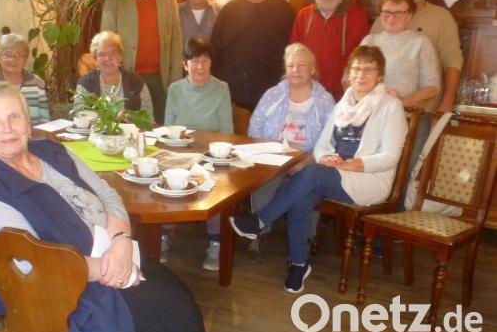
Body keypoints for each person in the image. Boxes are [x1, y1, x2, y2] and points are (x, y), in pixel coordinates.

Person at [0, 82, 206, 332]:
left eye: (15, 116)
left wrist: (121, 242)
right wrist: (110, 268)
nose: (8, 128)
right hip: (66, 291)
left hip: (113, 254)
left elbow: (107, 195)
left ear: (27, 121)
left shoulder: (54, 151)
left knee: (179, 299)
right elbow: (31, 265)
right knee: (176, 317)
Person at [230, 46, 408, 293]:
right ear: (349, 73)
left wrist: (351, 164)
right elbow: (323, 144)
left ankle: (259, 220)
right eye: (357, 69)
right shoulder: (344, 103)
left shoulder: (390, 106)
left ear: (380, 75)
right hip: (336, 174)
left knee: (312, 173)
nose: (361, 75)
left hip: (369, 180)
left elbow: (390, 156)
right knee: (301, 199)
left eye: (369, 69)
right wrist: (327, 157)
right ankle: (299, 264)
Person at [246, 43, 335, 258]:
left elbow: (330, 140)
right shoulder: (272, 94)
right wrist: (269, 152)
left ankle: (306, 238)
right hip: (274, 157)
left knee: (308, 184)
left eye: (302, 65)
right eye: (291, 65)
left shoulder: (325, 100)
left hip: (308, 159)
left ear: (312, 69)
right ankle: (257, 233)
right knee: (262, 182)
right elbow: (254, 127)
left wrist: (306, 161)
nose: (296, 70)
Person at [164, 36, 233, 270]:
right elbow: (169, 129)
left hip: (210, 155)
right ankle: (163, 233)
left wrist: (208, 153)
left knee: (213, 182)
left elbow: (227, 132)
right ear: (185, 64)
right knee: (165, 176)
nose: (200, 66)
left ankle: (215, 242)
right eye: (194, 61)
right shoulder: (174, 89)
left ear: (211, 63)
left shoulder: (221, 89)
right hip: (180, 153)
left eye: (205, 61)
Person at [101, 0, 183, 123]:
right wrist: (111, 75)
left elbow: (176, 39)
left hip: (160, 78)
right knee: (127, 127)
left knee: (159, 127)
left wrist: (175, 79)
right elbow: (106, 39)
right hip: (127, 75)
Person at [370, 0, 463, 112]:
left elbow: (452, 61)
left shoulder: (441, 17)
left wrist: (448, 101)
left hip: (422, 110)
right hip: (378, 109)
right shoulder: (382, 19)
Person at [211, 0, 294, 113]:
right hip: (233, 96)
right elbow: (215, 52)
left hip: (271, 95)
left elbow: (292, 52)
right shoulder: (228, 11)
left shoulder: (284, 10)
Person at [289, 0, 370, 100]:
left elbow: (364, 59)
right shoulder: (304, 15)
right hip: (308, 93)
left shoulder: (357, 16)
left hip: (343, 96)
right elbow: (292, 55)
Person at [361, 0, 441, 111]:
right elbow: (349, 78)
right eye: (386, 12)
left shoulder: (420, 43)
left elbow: (432, 88)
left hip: (402, 114)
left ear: (409, 15)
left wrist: (400, 102)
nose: (391, 18)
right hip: (368, 112)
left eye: (398, 13)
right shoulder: (369, 41)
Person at [74, 31, 154, 116]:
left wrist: (131, 117)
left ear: (121, 56)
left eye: (113, 53)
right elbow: (80, 115)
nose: (108, 58)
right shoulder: (86, 83)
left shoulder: (136, 82)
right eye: (102, 54)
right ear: (96, 59)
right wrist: (114, 118)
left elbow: (148, 118)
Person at [0, 32, 50, 125]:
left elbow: (45, 119)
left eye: (18, 55)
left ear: (25, 60)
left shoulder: (37, 83)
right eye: (7, 54)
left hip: (33, 133)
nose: (12, 59)